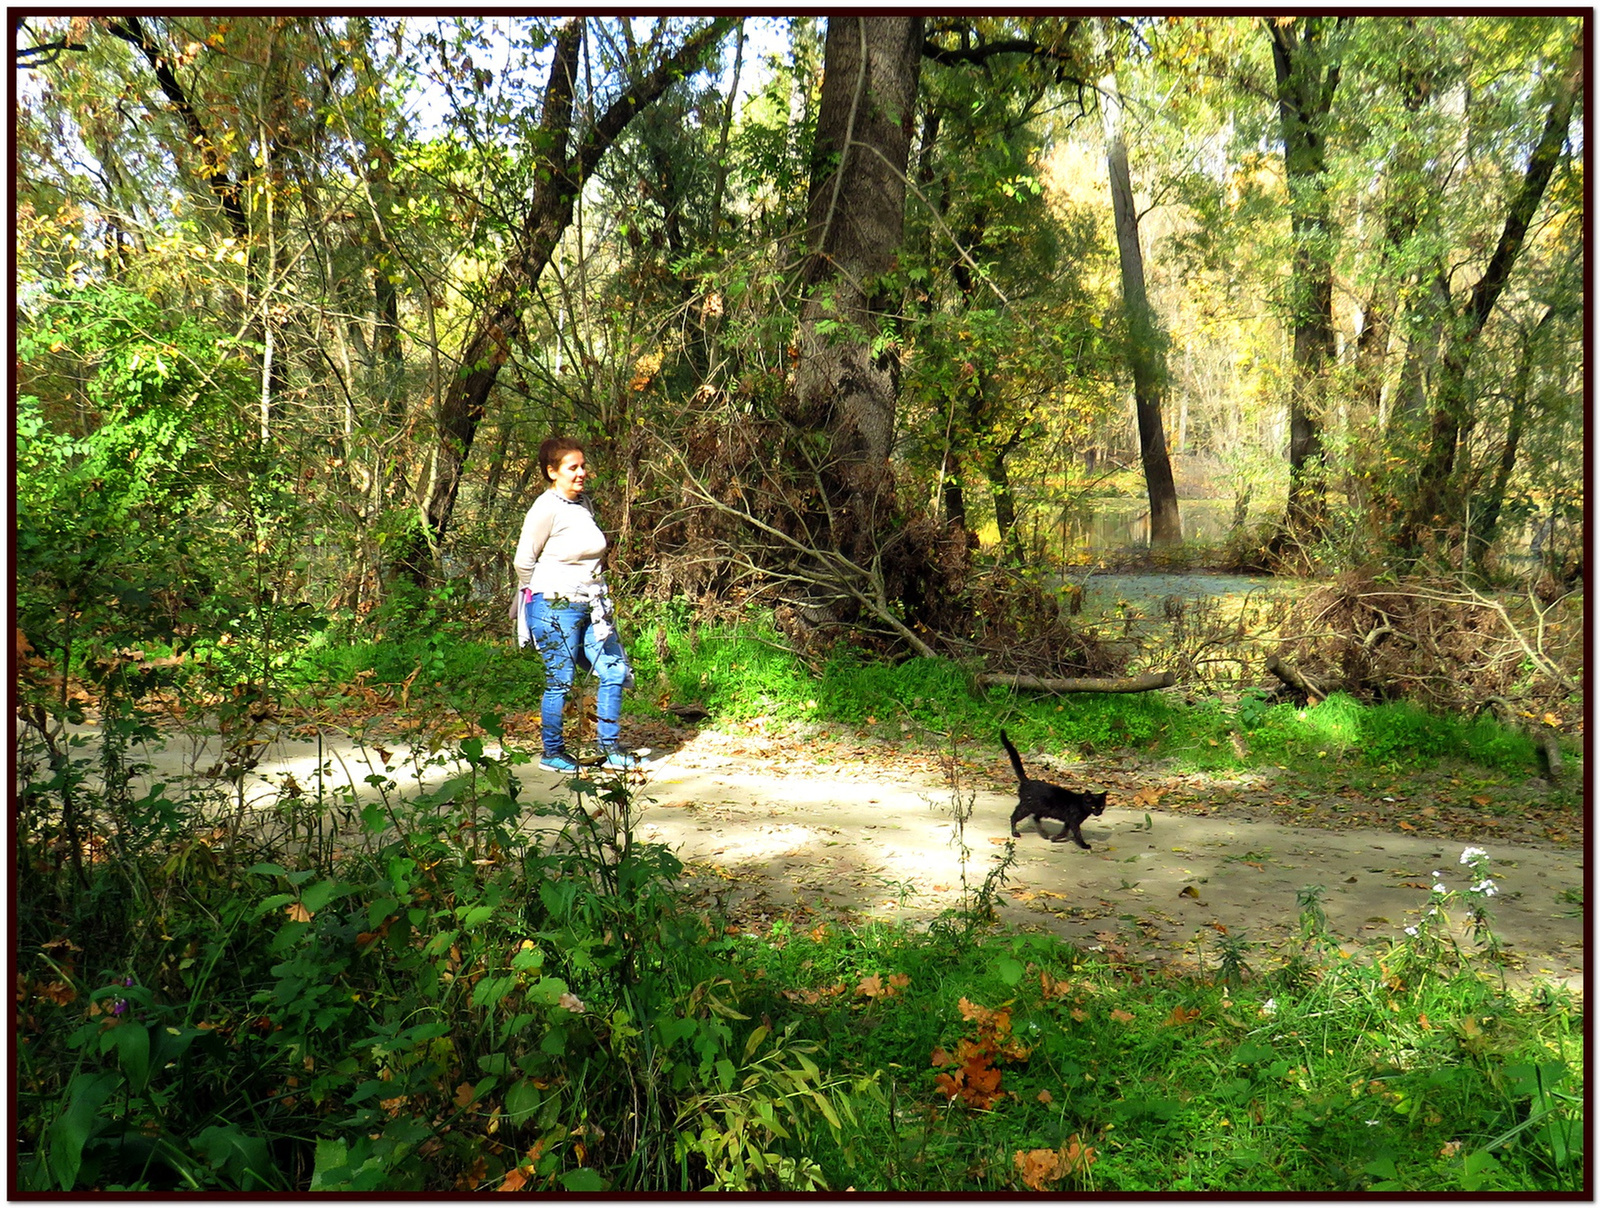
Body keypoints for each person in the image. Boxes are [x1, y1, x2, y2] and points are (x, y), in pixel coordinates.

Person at [512, 436, 637, 772]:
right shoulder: (545, 508)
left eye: (583, 466)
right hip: (555, 606)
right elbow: (523, 561)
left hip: (590, 606)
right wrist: (534, 595)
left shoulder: (583, 506)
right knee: (561, 680)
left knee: (613, 670)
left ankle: (610, 748)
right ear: (553, 472)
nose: (581, 473)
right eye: (573, 467)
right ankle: (552, 752)